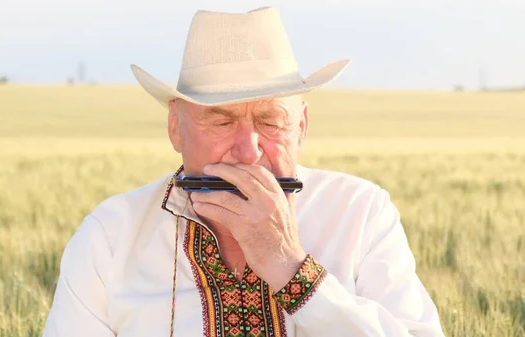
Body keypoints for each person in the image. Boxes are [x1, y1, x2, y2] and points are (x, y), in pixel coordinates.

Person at [42, 6, 445, 337]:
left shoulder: (362, 213)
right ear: (175, 127)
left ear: (301, 127)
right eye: (221, 122)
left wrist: (290, 268)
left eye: (271, 122)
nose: (249, 152)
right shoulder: (110, 236)